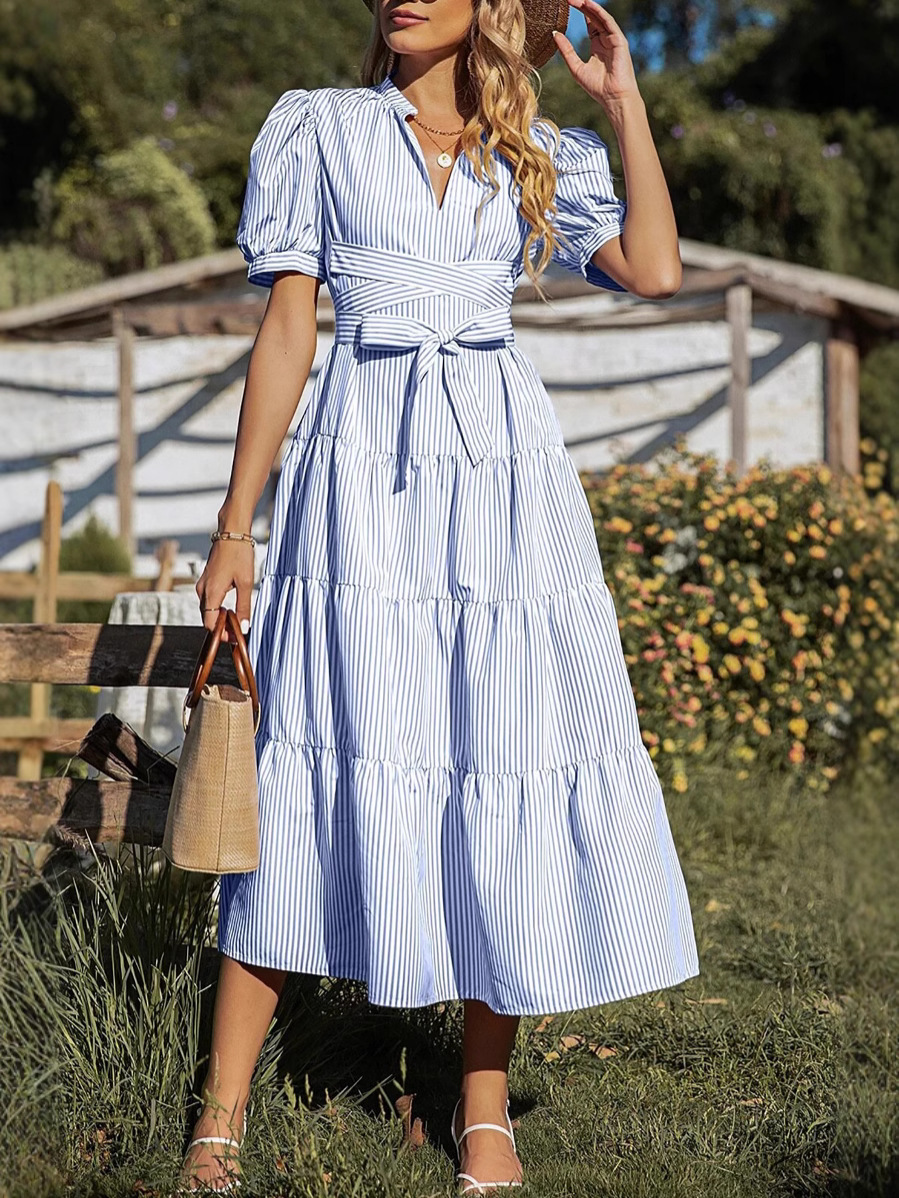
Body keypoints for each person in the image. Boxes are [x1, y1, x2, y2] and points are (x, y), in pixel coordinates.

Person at [179, 0, 700, 1192]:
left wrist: (623, 105)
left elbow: (657, 271)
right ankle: (220, 1111)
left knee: (494, 751)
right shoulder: (317, 128)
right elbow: (286, 334)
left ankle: (482, 1111)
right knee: (307, 758)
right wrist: (233, 526)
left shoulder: (539, 151)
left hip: (501, 479)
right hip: (357, 471)